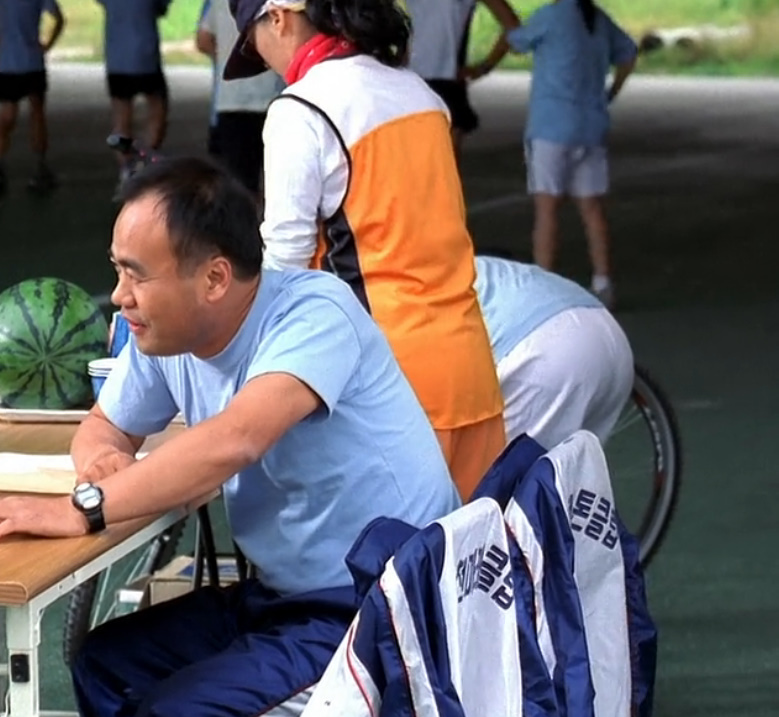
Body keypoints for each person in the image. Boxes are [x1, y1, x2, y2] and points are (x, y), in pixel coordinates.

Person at [0, 156, 460, 717]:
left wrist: (83, 508)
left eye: (136, 274)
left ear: (215, 278)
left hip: (384, 608)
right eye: (117, 269)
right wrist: (103, 460)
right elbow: (105, 424)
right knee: (108, 667)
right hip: (285, 599)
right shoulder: (167, 334)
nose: (119, 295)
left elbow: (237, 438)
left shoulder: (315, 312)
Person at [225, 0, 506, 500]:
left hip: (387, 389)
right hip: (469, 370)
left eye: (253, 44)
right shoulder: (419, 93)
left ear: (278, 18)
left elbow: (285, 261)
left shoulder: (302, 109)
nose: (263, 60)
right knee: (474, 546)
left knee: (387, 552)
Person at [473, 0, 637, 308]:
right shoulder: (599, 20)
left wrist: (485, 59)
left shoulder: (550, 16)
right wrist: (611, 92)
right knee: (592, 210)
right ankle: (603, 281)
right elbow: (628, 55)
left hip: (551, 126)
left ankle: (544, 286)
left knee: (547, 210)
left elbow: (516, 41)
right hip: (591, 126)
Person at [473, 252, 633, 450]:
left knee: (486, 465)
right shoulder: (465, 268)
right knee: (574, 465)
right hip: (608, 334)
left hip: (545, 355)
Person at [0, 0, 65, 194]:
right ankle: (40, 166)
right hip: (32, 62)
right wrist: (47, 46)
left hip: (7, 64)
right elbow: (59, 19)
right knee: (37, 115)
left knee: (7, 117)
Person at [403, 0, 520, 155]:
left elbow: (512, 25)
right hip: (414, 80)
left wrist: (485, 67)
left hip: (443, 81)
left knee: (438, 161)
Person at [194, 0, 283, 199]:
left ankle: (247, 216)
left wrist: (227, 56)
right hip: (273, 97)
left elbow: (203, 40)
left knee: (238, 185)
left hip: (231, 100)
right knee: (278, 181)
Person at [96, 0, 169, 183]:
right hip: (146, 56)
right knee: (157, 109)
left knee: (121, 119)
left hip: (117, 58)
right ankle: (146, 158)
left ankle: (126, 168)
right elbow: (161, 9)